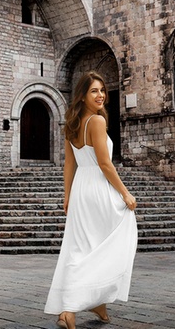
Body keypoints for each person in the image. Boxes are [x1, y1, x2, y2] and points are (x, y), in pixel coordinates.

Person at [44, 72, 138, 329]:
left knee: (82, 248)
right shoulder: (96, 121)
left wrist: (67, 196)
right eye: (94, 91)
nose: (101, 96)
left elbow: (70, 164)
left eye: (102, 90)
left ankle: (95, 301)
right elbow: (105, 164)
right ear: (83, 96)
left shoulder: (71, 124)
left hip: (80, 190)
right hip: (98, 188)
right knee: (114, 239)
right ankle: (70, 309)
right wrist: (125, 193)